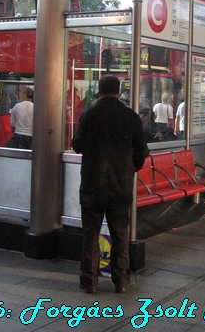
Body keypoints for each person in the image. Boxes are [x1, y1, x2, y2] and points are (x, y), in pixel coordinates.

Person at [72, 75, 149, 294]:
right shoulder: (131, 117)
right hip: (120, 187)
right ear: (118, 91)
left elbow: (78, 145)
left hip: (92, 185)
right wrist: (128, 169)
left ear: (99, 90)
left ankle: (90, 282)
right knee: (120, 235)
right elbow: (142, 152)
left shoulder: (89, 114)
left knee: (90, 236)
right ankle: (121, 281)